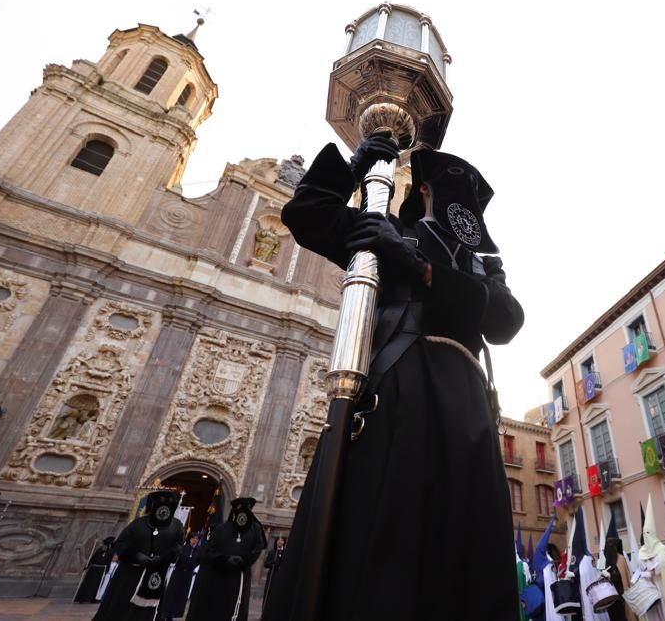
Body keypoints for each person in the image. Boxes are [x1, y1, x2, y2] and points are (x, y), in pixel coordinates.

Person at [263, 134, 525, 621]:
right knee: (383, 528)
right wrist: (350, 166)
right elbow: (308, 214)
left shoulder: (484, 263)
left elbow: (507, 320)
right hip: (399, 389)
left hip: (467, 410)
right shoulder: (386, 228)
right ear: (425, 191)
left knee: (465, 540)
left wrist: (424, 270)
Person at [93, 490, 184, 621]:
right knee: (121, 606)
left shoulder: (177, 526)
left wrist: (163, 558)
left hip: (156, 574)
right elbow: (120, 543)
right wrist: (136, 555)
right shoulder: (139, 523)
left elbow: (177, 548)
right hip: (129, 574)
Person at [186, 497, 266, 621]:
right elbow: (208, 551)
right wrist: (224, 559)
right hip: (217, 575)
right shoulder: (221, 528)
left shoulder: (255, 530)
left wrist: (243, 560)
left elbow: (258, 548)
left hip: (238, 576)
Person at [158, 533, 199, 620]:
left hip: (187, 576)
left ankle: (173, 614)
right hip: (178, 573)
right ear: (190, 539)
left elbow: (197, 562)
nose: (195, 540)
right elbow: (178, 558)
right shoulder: (183, 548)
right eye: (194, 538)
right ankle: (164, 613)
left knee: (180, 595)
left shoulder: (197, 551)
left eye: (197, 539)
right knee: (171, 593)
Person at [75, 537, 115, 603]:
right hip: (94, 568)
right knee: (88, 583)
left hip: (102, 569)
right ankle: (82, 598)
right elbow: (93, 558)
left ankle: (92, 598)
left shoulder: (110, 551)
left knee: (96, 585)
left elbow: (109, 561)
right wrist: (88, 566)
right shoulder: (100, 550)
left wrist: (107, 569)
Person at [261, 536, 285, 612]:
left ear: (284, 542)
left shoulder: (285, 552)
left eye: (281, 540)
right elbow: (265, 564)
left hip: (280, 575)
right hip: (272, 574)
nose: (280, 542)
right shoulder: (272, 552)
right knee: (268, 593)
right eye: (278, 540)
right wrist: (272, 563)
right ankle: (265, 611)